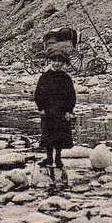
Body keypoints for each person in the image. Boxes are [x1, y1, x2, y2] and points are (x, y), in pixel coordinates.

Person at [34, 52, 76, 187]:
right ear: (50, 62)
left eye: (59, 62)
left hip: (61, 111)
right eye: (54, 61)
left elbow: (71, 95)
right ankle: (49, 157)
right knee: (47, 135)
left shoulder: (66, 78)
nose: (57, 63)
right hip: (48, 111)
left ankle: (58, 158)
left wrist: (69, 111)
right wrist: (41, 108)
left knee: (60, 136)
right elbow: (38, 94)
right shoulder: (44, 77)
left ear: (63, 64)